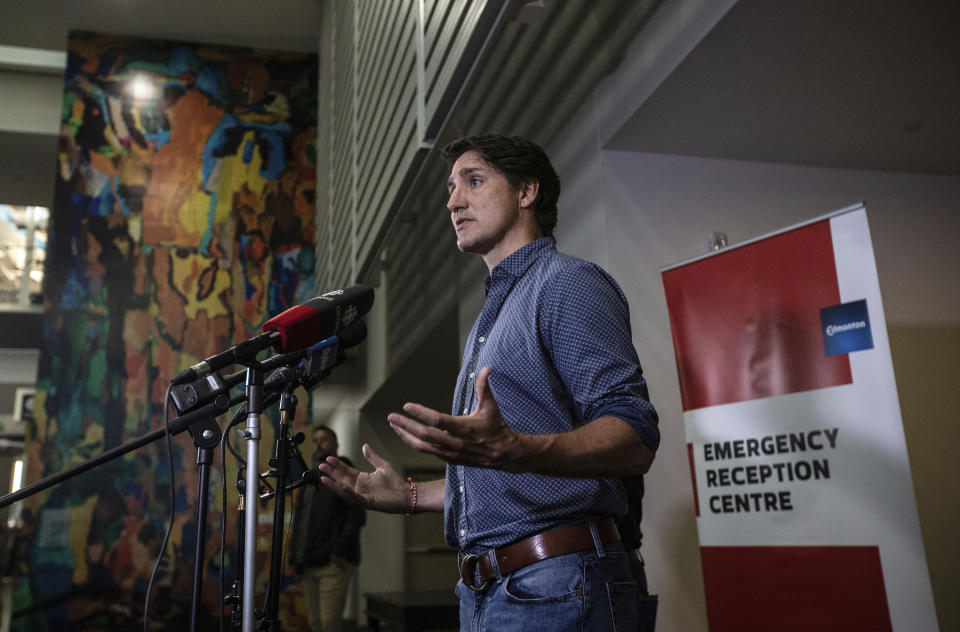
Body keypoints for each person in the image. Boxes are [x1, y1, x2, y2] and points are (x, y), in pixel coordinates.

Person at [319, 135, 659, 631]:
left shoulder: (567, 283)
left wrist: (518, 449)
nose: (454, 201)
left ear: (526, 192)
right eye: (451, 188)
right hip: (488, 591)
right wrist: (410, 496)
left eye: (474, 182)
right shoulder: (489, 319)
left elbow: (635, 435)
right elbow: (498, 475)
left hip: (559, 586)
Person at [289, 425, 366, 632]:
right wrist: (295, 558)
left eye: (324, 439)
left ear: (336, 443)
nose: (318, 443)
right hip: (308, 564)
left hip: (332, 564)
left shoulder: (343, 471)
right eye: (315, 440)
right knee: (315, 625)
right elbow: (301, 521)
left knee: (328, 625)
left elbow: (356, 514)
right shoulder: (311, 476)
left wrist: (339, 551)